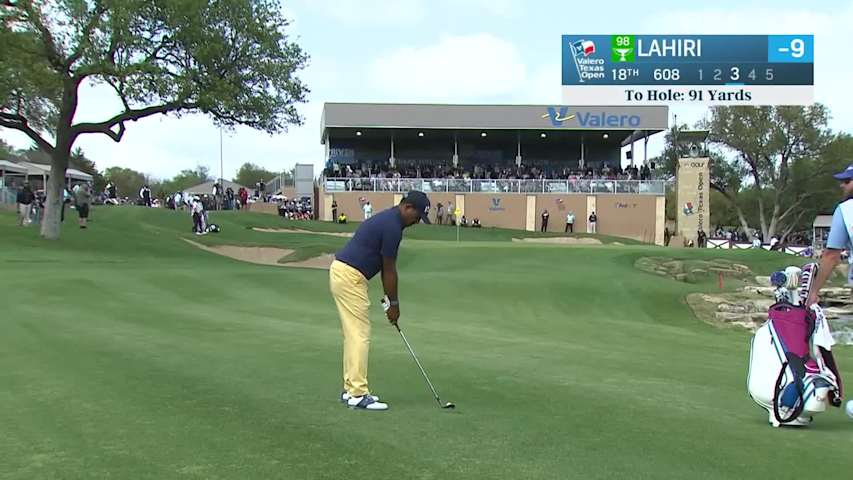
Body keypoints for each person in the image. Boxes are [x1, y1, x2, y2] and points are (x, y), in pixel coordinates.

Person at [330, 191, 431, 411]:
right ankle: (357, 393)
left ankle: (350, 390)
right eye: (417, 216)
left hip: (343, 273)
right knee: (359, 333)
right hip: (349, 276)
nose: (416, 222)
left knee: (352, 333)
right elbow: (389, 271)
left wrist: (391, 303)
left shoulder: (389, 220)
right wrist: (393, 305)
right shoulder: (392, 227)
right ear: (407, 207)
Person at [808, 163, 853, 307]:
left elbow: (831, 256)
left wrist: (814, 291)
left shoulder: (846, 210)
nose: (842, 186)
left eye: (847, 181)